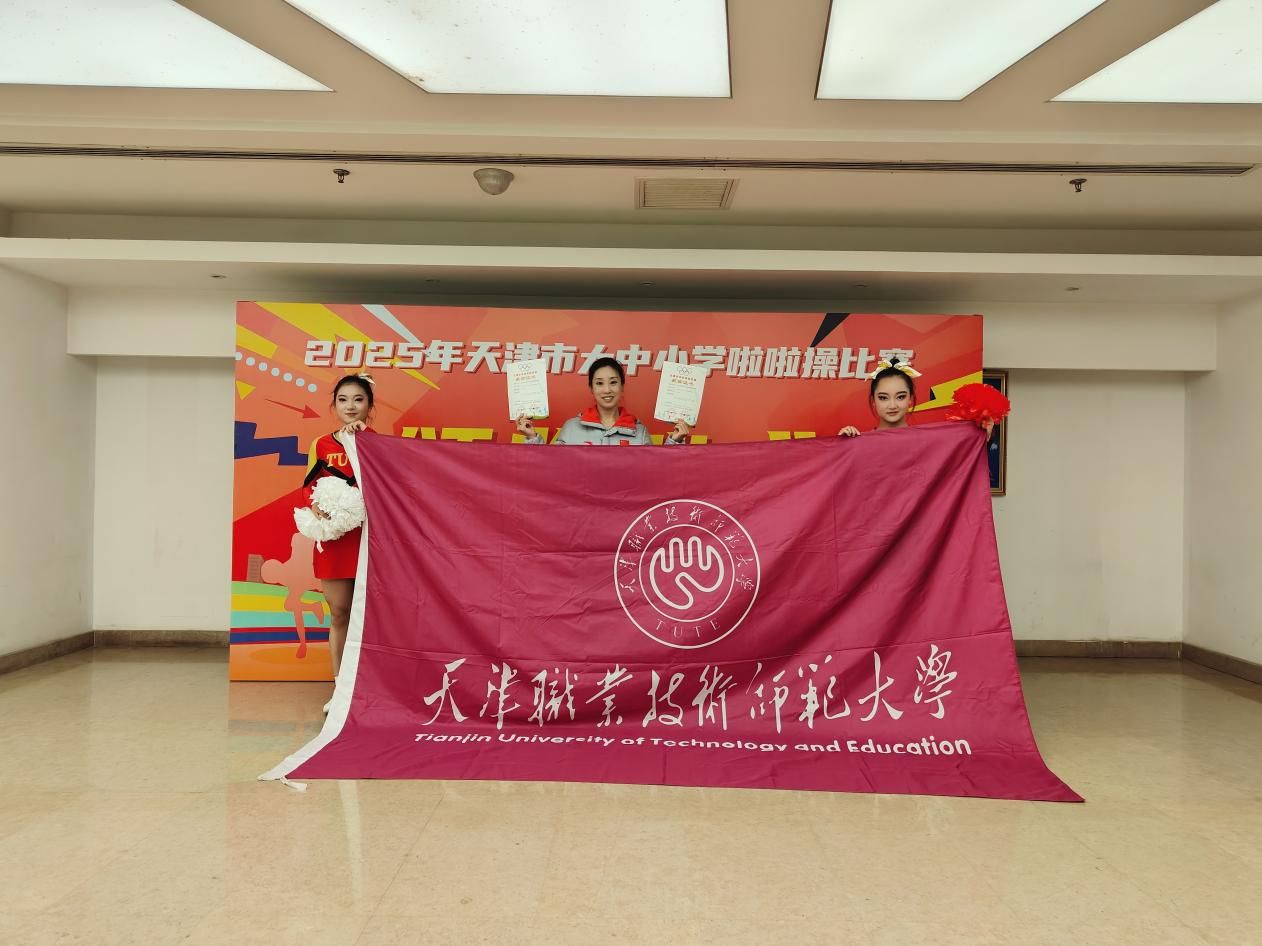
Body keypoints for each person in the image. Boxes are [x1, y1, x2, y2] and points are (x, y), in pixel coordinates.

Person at [302, 372, 374, 711]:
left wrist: (363, 440)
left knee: (370, 617)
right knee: (341, 613)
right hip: (334, 539)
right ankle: (340, 690)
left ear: (369, 405)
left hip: (369, 540)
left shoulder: (378, 443)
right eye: (343, 399)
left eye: (359, 399)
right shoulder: (321, 444)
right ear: (334, 405)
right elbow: (307, 487)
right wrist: (316, 506)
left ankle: (370, 688)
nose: (350, 406)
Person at [516, 356, 691, 445]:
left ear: (622, 386)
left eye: (613, 382)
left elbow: (656, 471)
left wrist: (675, 442)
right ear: (591, 388)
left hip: (624, 505)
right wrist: (532, 437)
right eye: (599, 383)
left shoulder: (639, 432)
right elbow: (551, 466)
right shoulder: (572, 427)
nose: (607, 390)